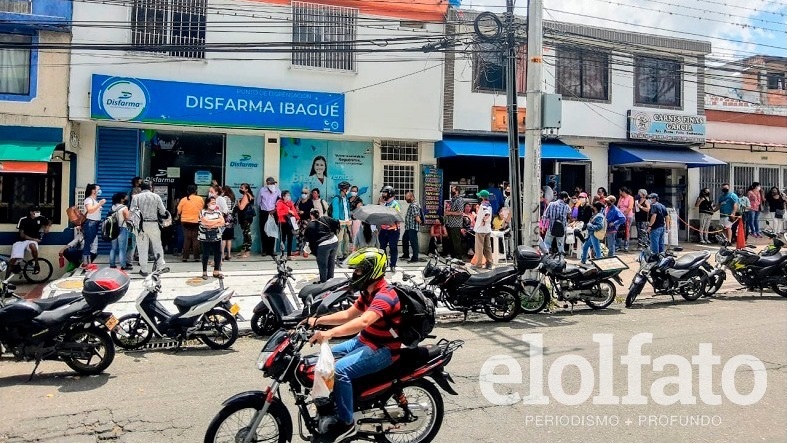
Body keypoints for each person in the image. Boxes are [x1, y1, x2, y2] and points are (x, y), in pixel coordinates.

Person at [304, 248, 401, 442]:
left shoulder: (384, 295)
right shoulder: (368, 292)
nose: (355, 273)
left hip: (383, 349)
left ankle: (346, 423)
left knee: (339, 370)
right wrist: (316, 321)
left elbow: (363, 322)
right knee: (323, 360)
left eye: (358, 270)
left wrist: (329, 333)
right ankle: (332, 403)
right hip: (364, 340)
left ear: (372, 271)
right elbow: (349, 314)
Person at [130, 180, 169, 276]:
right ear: (151, 187)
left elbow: (132, 212)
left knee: (142, 247)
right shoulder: (156, 197)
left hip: (140, 226)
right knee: (157, 245)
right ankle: (160, 266)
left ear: (141, 188)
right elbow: (163, 211)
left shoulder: (136, 197)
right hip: (153, 224)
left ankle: (144, 270)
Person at [8, 206, 50, 278]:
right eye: (36, 211)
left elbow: (49, 221)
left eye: (38, 211)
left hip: (32, 241)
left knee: (33, 247)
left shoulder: (41, 218)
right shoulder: (23, 220)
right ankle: (5, 280)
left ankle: (36, 265)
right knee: (13, 261)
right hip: (21, 241)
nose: (37, 213)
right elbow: (22, 235)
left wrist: (47, 228)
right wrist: (34, 239)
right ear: (31, 212)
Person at [305, 208, 340, 283]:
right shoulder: (325, 218)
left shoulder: (310, 225)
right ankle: (330, 281)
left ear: (311, 215)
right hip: (334, 241)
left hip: (323, 245)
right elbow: (336, 223)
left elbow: (307, 239)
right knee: (331, 263)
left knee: (323, 265)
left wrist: (306, 250)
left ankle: (323, 283)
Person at [198, 196, 225, 280]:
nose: (214, 204)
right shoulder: (203, 212)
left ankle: (216, 271)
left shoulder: (218, 212)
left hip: (216, 235)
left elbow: (222, 222)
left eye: (215, 202)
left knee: (218, 253)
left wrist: (212, 224)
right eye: (212, 203)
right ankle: (204, 272)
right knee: (206, 254)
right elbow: (206, 222)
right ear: (207, 203)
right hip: (205, 236)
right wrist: (216, 221)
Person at [377, 186, 402, 273]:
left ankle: (393, 265)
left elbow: (397, 218)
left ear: (390, 194)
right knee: (382, 248)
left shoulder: (395, 204)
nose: (383, 194)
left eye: (385, 192)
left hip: (393, 231)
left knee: (393, 248)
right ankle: (383, 263)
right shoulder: (384, 204)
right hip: (384, 230)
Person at [177, 185, 204, 262]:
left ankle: (185, 257)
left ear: (187, 191)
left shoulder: (183, 200)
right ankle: (197, 257)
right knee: (196, 239)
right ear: (195, 191)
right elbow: (202, 209)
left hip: (185, 221)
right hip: (196, 221)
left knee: (187, 239)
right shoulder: (200, 199)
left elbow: (179, 211)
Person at [82, 183, 106, 267]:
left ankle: (88, 261)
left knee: (91, 241)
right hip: (91, 223)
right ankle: (86, 262)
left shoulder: (94, 200)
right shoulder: (89, 200)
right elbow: (90, 210)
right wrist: (99, 204)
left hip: (95, 223)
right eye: (98, 189)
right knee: (88, 242)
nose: (100, 191)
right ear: (93, 191)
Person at [540, 191, 571, 255]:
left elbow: (545, 216)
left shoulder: (551, 204)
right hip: (561, 229)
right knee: (560, 245)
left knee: (547, 244)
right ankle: (561, 259)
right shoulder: (566, 206)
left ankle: (545, 257)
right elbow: (570, 213)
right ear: (565, 198)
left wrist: (543, 226)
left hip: (551, 228)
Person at [257, 177, 281, 256]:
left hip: (274, 212)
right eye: (271, 183)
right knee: (264, 231)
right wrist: (264, 210)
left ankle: (271, 250)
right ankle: (264, 250)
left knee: (272, 231)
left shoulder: (277, 191)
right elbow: (258, 202)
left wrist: (274, 210)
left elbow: (280, 202)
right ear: (267, 183)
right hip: (264, 212)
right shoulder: (262, 190)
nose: (273, 185)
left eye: (274, 183)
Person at [330, 181, 353, 261]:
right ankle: (339, 256)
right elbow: (335, 214)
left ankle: (345, 255)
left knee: (346, 239)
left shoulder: (345, 199)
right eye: (347, 189)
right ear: (344, 189)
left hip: (347, 223)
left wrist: (349, 219)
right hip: (341, 223)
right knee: (339, 240)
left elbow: (347, 210)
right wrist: (340, 222)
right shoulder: (336, 199)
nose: (348, 190)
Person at [471, 190, 494, 268]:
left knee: (479, 247)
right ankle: (489, 263)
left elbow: (487, 214)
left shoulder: (483, 205)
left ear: (482, 197)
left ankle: (478, 264)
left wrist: (483, 220)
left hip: (481, 229)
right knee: (488, 247)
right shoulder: (489, 204)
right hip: (487, 229)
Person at [109, 193, 131, 270]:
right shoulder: (124, 207)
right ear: (122, 199)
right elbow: (127, 219)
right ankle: (123, 265)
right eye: (125, 197)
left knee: (113, 248)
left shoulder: (113, 207)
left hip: (113, 229)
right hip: (122, 228)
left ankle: (112, 264)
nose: (127, 198)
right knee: (122, 249)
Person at [275, 190, 299, 259]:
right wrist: (287, 210)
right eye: (287, 196)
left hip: (290, 223)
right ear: (283, 197)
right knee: (283, 239)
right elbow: (279, 213)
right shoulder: (280, 203)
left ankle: (289, 254)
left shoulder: (290, 203)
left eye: (289, 195)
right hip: (283, 223)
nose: (289, 197)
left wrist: (297, 219)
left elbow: (294, 212)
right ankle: (282, 254)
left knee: (290, 238)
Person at [401, 191, 422, 263]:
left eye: (407, 198)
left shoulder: (414, 205)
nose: (406, 199)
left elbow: (416, 216)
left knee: (413, 242)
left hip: (412, 227)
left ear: (412, 197)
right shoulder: (413, 204)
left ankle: (415, 258)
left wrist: (420, 221)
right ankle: (406, 254)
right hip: (409, 227)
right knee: (405, 239)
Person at [235, 183, 255, 258]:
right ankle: (243, 250)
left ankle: (247, 251)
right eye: (240, 187)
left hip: (245, 218)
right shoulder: (249, 195)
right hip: (247, 218)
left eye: (242, 188)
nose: (240, 189)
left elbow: (241, 208)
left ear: (246, 189)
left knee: (247, 234)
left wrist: (238, 202)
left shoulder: (246, 196)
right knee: (245, 234)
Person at [444, 185, 464, 258]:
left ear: (456, 191)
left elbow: (460, 212)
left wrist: (450, 213)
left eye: (452, 189)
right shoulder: (452, 199)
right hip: (450, 223)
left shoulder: (459, 200)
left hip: (456, 223)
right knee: (451, 241)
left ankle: (458, 256)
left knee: (456, 241)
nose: (451, 191)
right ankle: (453, 255)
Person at [127, 176, 143, 265]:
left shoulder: (130, 191)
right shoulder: (136, 190)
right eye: (140, 181)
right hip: (137, 217)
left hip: (133, 217)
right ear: (137, 183)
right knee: (138, 239)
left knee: (134, 239)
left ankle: (132, 258)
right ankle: (136, 258)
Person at [296, 187, 314, 257]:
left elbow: (311, 212)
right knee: (298, 235)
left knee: (305, 236)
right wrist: (297, 210)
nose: (303, 194)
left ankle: (305, 251)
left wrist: (303, 212)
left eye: (305, 193)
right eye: (302, 193)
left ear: (308, 194)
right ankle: (297, 250)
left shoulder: (310, 202)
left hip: (306, 220)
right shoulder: (299, 201)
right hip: (299, 220)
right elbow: (294, 208)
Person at [221, 186, 236, 261]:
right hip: (231, 218)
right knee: (229, 238)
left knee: (223, 237)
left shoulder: (224, 198)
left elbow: (223, 208)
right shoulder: (232, 198)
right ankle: (229, 254)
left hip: (225, 217)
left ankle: (223, 255)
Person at [617, 187, 635, 252]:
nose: (619, 193)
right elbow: (618, 206)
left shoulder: (630, 198)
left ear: (623, 191)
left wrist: (624, 214)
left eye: (620, 191)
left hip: (627, 215)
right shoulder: (621, 198)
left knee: (627, 230)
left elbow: (630, 207)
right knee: (619, 229)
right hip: (620, 215)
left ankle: (626, 245)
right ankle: (618, 245)